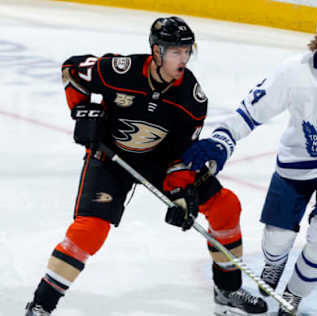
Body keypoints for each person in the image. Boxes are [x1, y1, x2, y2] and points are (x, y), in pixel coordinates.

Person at [25, 16, 267, 316]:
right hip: (110, 156)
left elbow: (182, 155)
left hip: (160, 160)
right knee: (90, 230)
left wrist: (181, 194)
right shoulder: (119, 71)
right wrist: (81, 110)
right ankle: (41, 305)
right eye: (176, 51)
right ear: (156, 51)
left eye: (188, 51)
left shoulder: (192, 98)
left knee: (225, 206)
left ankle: (227, 289)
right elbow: (72, 70)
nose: (184, 58)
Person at [182, 8, 317, 315]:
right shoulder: (292, 72)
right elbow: (251, 112)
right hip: (294, 167)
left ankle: (294, 294)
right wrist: (223, 140)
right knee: (277, 241)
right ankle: (274, 266)